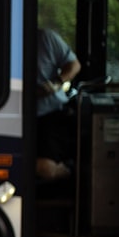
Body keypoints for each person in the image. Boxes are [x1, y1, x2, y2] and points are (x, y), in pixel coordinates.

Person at [35, 28, 82, 181]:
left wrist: (56, 83)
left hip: (51, 112)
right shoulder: (0, 38)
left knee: (44, 169)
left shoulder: (46, 37)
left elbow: (74, 65)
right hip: (17, 116)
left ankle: (70, 170)